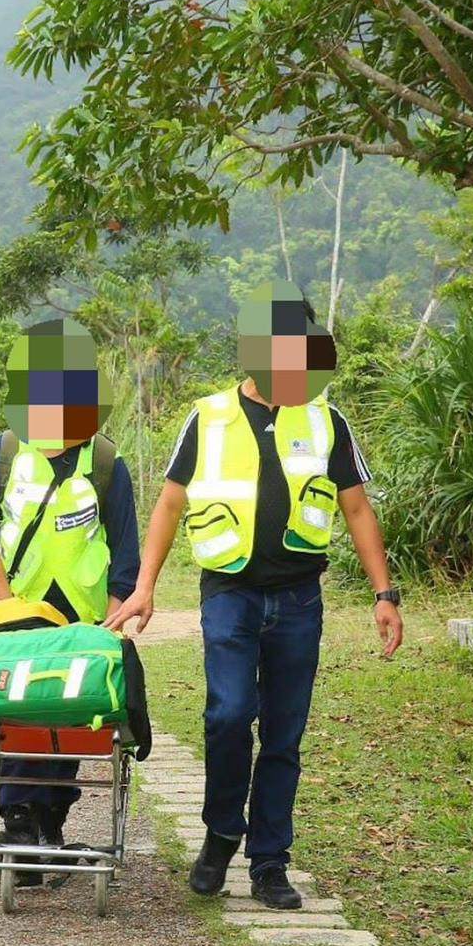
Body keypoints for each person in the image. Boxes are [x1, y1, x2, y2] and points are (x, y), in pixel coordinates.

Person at [106, 283, 403, 910]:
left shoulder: (326, 421)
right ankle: (219, 834)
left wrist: (385, 593)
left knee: (285, 734)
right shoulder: (207, 415)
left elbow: (356, 507)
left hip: (299, 599)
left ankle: (270, 861)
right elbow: (169, 502)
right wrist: (145, 586)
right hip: (230, 595)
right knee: (228, 714)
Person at [0, 317, 140, 884]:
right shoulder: (0, 454)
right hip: (14, 615)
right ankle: (17, 817)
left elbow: (124, 554)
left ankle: (50, 819)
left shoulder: (108, 464)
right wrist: (10, 611)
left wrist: (112, 626)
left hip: (84, 622)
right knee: (15, 715)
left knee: (69, 719)